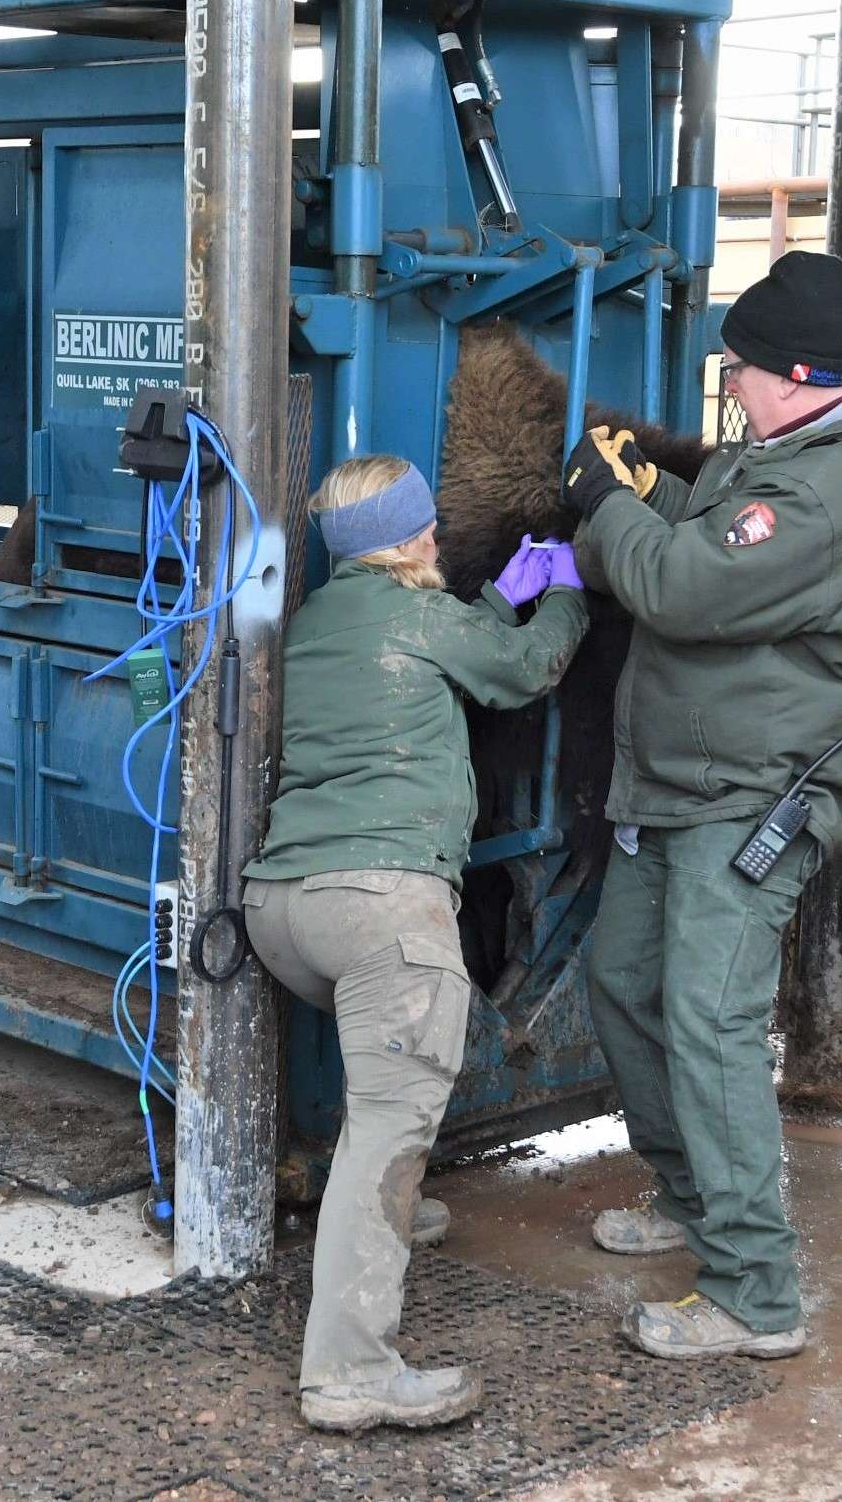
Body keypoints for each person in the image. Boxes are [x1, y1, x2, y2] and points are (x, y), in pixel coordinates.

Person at [562, 250, 842, 1360]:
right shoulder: (788, 443)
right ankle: (691, 1195)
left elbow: (687, 585)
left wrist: (597, 506)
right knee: (623, 980)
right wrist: (650, 491)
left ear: (798, 376)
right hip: (685, 777)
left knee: (711, 1024)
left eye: (742, 364)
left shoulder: (819, 487)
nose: (729, 376)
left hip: (755, 793)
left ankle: (755, 1290)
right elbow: (712, 531)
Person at [242, 456, 589, 1435]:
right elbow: (524, 668)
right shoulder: (420, 617)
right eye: (427, 529)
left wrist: (494, 595)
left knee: (377, 1106)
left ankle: (375, 1218)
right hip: (382, 907)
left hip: (283, 912)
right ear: (402, 540)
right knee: (390, 1130)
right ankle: (349, 1372)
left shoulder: (315, 621)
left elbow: (451, 637)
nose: (437, 539)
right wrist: (558, 589)